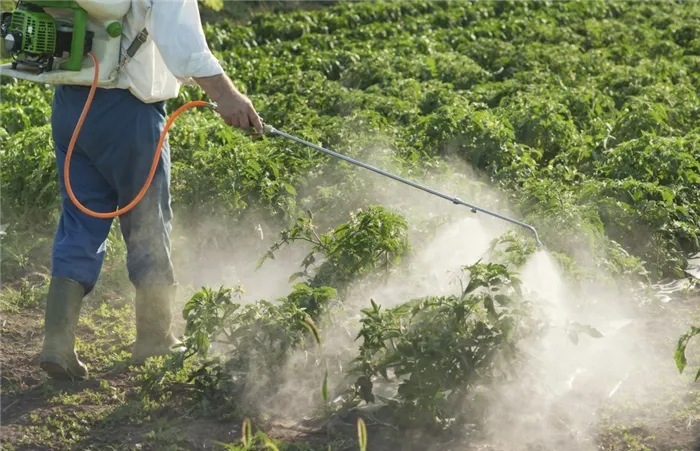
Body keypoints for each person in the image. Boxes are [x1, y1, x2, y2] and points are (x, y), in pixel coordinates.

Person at [39, 0, 263, 381]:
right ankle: (155, 338)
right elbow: (184, 43)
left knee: (79, 219)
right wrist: (227, 96)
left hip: (71, 105)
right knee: (148, 221)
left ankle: (57, 343)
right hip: (129, 113)